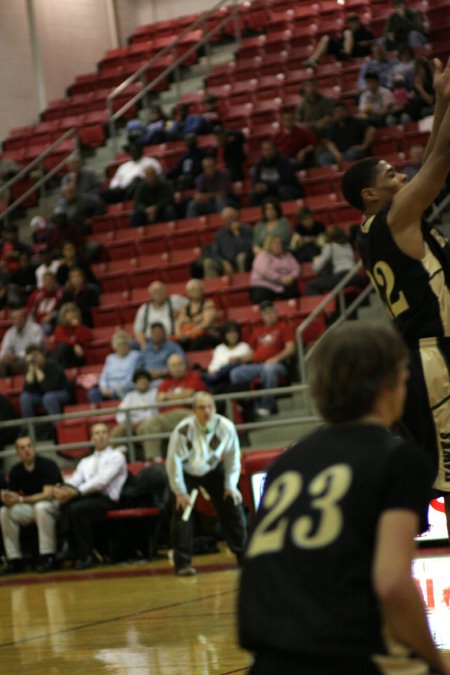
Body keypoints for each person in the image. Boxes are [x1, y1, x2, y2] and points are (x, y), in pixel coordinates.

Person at [238, 323, 450, 675]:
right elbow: (392, 583)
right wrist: (435, 660)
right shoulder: (397, 459)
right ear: (388, 384)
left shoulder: (284, 465)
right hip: (341, 659)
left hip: (265, 663)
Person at [341, 56, 450, 536]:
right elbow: (441, 163)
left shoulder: (381, 224)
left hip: (431, 354)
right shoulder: (395, 219)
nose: (400, 174)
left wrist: (443, 101)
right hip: (433, 358)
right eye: (388, 174)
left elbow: (429, 163)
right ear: (369, 194)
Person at [166, 391, 247, 576]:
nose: (206, 411)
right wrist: (180, 491)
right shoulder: (183, 430)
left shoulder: (226, 427)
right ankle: (183, 564)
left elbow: (232, 459)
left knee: (232, 505)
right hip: (186, 473)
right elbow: (173, 462)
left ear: (215, 408)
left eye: (209, 406)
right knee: (182, 514)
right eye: (201, 408)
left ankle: (244, 557)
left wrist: (230, 485)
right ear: (194, 411)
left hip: (212, 469)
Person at [55, 422, 128, 570]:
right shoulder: (85, 461)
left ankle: (87, 554)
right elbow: (75, 479)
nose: (101, 436)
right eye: (97, 433)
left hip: (107, 499)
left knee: (77, 508)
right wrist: (63, 488)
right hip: (88, 497)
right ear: (92, 438)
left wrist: (76, 492)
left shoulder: (116, 456)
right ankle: (68, 545)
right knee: (65, 502)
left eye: (104, 432)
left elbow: (101, 481)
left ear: (109, 436)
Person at [0, 435, 62, 575]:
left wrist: (21, 500)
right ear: (17, 452)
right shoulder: (16, 470)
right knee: (4, 511)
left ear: (34, 448)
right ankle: (14, 559)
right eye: (22, 448)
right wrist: (6, 499)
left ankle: (48, 556)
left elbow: (47, 495)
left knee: (41, 507)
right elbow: (12, 498)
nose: (27, 450)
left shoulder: (47, 464)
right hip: (30, 508)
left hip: (54, 506)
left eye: (29, 446)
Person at [230, 301, 295, 416]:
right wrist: (238, 358)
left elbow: (290, 349)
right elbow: (250, 353)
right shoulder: (258, 331)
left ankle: (267, 405)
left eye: (271, 312)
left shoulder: (284, 327)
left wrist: (276, 358)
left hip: (278, 365)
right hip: (258, 365)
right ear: (262, 316)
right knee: (236, 373)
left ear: (276, 313)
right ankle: (248, 405)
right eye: (265, 313)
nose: (269, 316)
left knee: (269, 368)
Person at [139, 353, 207, 459]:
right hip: (167, 416)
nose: (177, 368)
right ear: (169, 369)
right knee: (150, 422)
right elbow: (159, 399)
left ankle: (193, 456)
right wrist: (181, 397)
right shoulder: (165, 383)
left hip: (187, 412)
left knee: (191, 421)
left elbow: (189, 393)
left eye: (179, 364)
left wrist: (167, 397)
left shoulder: (193, 377)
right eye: (173, 366)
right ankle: (154, 459)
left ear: (184, 365)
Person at [20, 345, 72, 422]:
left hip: (61, 392)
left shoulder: (52, 365)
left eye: (36, 355)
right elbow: (27, 390)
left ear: (42, 355)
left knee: (48, 397)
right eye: (32, 357)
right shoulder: (31, 368)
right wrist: (31, 372)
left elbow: (51, 388)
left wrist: (38, 373)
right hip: (43, 395)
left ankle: (58, 427)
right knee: (25, 397)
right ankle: (29, 429)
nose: (35, 359)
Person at [304, 12, 373, 68]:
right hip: (341, 52)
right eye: (350, 22)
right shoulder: (345, 33)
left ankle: (346, 53)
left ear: (358, 21)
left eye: (354, 21)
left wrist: (359, 44)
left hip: (356, 51)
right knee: (326, 38)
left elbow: (370, 43)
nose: (353, 24)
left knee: (347, 33)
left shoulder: (364, 32)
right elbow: (340, 43)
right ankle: (314, 59)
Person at [88, 330, 139, 404]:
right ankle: (100, 414)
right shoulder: (110, 358)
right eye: (119, 345)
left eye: (124, 344)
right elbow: (104, 376)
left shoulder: (135, 355)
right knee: (93, 393)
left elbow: (131, 376)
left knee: (118, 392)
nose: (122, 347)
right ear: (115, 346)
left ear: (129, 344)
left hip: (124, 387)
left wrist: (114, 389)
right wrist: (104, 388)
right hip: (108, 388)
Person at [306, 225, 360, 295]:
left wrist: (316, 259)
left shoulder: (330, 246)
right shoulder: (348, 244)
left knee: (311, 285)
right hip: (355, 276)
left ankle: (326, 306)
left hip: (342, 277)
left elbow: (317, 268)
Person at [133, 280, 188, 349]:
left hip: (172, 339)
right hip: (149, 342)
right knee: (131, 344)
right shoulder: (144, 309)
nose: (158, 293)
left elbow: (194, 305)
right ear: (150, 294)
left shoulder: (175, 300)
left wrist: (181, 313)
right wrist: (144, 345)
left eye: (160, 290)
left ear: (165, 291)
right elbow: (138, 330)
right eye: (155, 291)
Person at [201, 206, 253, 277]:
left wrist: (237, 234)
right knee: (208, 263)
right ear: (223, 219)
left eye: (231, 217)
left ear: (236, 217)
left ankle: (243, 281)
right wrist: (224, 262)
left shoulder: (246, 229)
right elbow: (215, 252)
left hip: (242, 261)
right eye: (226, 218)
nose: (229, 220)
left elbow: (248, 248)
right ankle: (213, 286)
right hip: (225, 263)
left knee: (241, 257)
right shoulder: (220, 234)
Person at [318, 102, 376, 166]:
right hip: (341, 153)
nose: (338, 114)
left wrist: (364, 145)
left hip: (354, 150)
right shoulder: (334, 126)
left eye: (340, 111)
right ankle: (335, 172)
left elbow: (371, 129)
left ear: (345, 111)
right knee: (323, 158)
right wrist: (336, 153)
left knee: (352, 153)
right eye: (336, 112)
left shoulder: (355, 121)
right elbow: (329, 142)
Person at [109, 370, 158, 444]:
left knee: (146, 429)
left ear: (148, 381)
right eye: (140, 380)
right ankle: (116, 453)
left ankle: (152, 455)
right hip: (130, 424)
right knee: (117, 431)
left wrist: (140, 422)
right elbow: (120, 414)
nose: (142, 382)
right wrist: (130, 423)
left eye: (144, 379)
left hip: (148, 423)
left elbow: (155, 412)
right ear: (135, 382)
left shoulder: (155, 393)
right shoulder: (130, 396)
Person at [249, 140, 302, 207]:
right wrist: (257, 186)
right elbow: (255, 180)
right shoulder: (259, 164)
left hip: (289, 188)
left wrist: (267, 186)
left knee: (282, 190)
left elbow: (286, 180)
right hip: (269, 192)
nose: (268, 152)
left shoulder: (284, 161)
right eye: (265, 150)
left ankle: (290, 208)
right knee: (253, 195)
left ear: (274, 149)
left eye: (270, 149)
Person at [250, 235, 300, 304]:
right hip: (265, 284)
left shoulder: (287, 255)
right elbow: (264, 271)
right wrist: (280, 278)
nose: (278, 245)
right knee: (261, 296)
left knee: (293, 291)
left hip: (284, 284)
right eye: (275, 243)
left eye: (280, 243)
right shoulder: (263, 255)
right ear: (269, 244)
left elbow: (296, 268)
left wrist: (292, 276)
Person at [173, 279, 220, 351]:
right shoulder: (185, 307)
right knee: (175, 344)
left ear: (202, 290)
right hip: (187, 334)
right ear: (188, 293)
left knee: (197, 341)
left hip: (204, 334)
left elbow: (206, 324)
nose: (196, 291)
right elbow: (179, 322)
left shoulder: (208, 304)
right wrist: (179, 334)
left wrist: (189, 334)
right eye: (193, 289)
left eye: (198, 289)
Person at [135, 322, 187, 386]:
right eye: (154, 333)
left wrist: (163, 372)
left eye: (159, 332)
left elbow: (184, 363)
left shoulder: (172, 347)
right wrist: (146, 374)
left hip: (167, 380)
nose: (157, 335)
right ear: (151, 334)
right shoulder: (146, 350)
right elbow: (137, 369)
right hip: (147, 382)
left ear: (164, 333)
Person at [205, 321, 252, 388]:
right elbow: (213, 365)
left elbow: (247, 361)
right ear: (224, 335)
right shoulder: (219, 348)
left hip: (237, 379)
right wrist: (212, 370)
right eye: (229, 333)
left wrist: (237, 359)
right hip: (220, 378)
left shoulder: (244, 346)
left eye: (234, 333)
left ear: (238, 334)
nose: (232, 335)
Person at [0, 307, 44, 377]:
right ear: (11, 320)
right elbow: (4, 350)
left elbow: (35, 350)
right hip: (15, 361)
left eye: (20, 317)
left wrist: (16, 356)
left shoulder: (35, 329)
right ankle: (4, 386)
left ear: (25, 318)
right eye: (14, 318)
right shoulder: (10, 332)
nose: (18, 320)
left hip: (32, 359)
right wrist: (4, 357)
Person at [49, 302, 92, 368]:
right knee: (63, 346)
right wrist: (74, 344)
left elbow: (86, 338)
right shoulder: (60, 328)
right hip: (64, 356)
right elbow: (60, 338)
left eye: (73, 312)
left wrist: (78, 326)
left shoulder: (82, 327)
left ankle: (53, 368)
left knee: (64, 347)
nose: (71, 315)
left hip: (77, 356)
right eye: (68, 313)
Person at [25, 270, 63, 336]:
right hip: (37, 323)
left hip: (52, 322)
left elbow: (63, 309)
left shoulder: (60, 293)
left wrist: (52, 315)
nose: (49, 282)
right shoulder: (36, 294)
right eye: (46, 280)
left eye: (51, 280)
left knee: (47, 328)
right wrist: (33, 323)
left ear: (55, 281)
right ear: (43, 282)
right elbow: (29, 310)